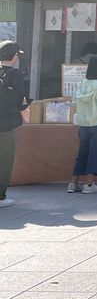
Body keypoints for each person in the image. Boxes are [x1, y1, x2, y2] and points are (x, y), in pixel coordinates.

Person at [68, 54, 97, 194]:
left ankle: (73, 183)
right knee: (96, 153)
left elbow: (75, 104)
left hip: (83, 125)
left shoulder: (83, 83)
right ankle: (89, 184)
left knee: (82, 153)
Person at [0, 41, 29, 208]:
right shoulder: (15, 75)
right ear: (15, 56)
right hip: (6, 124)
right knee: (4, 160)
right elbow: (20, 101)